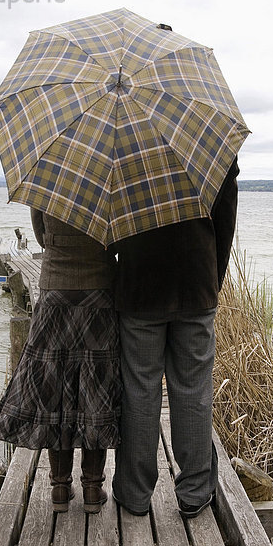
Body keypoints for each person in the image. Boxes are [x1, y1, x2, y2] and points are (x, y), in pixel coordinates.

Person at [112, 157, 239, 519]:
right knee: (193, 387)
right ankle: (195, 492)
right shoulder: (208, 141)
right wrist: (213, 276)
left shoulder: (123, 139)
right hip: (196, 282)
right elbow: (225, 218)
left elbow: (110, 219)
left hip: (140, 285)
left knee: (139, 389)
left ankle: (134, 495)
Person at [0, 210, 121, 514]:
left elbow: (42, 237)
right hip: (99, 290)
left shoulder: (51, 180)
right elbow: (115, 242)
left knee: (53, 385)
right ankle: (92, 488)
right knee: (95, 387)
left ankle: (60, 487)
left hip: (55, 289)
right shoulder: (108, 181)